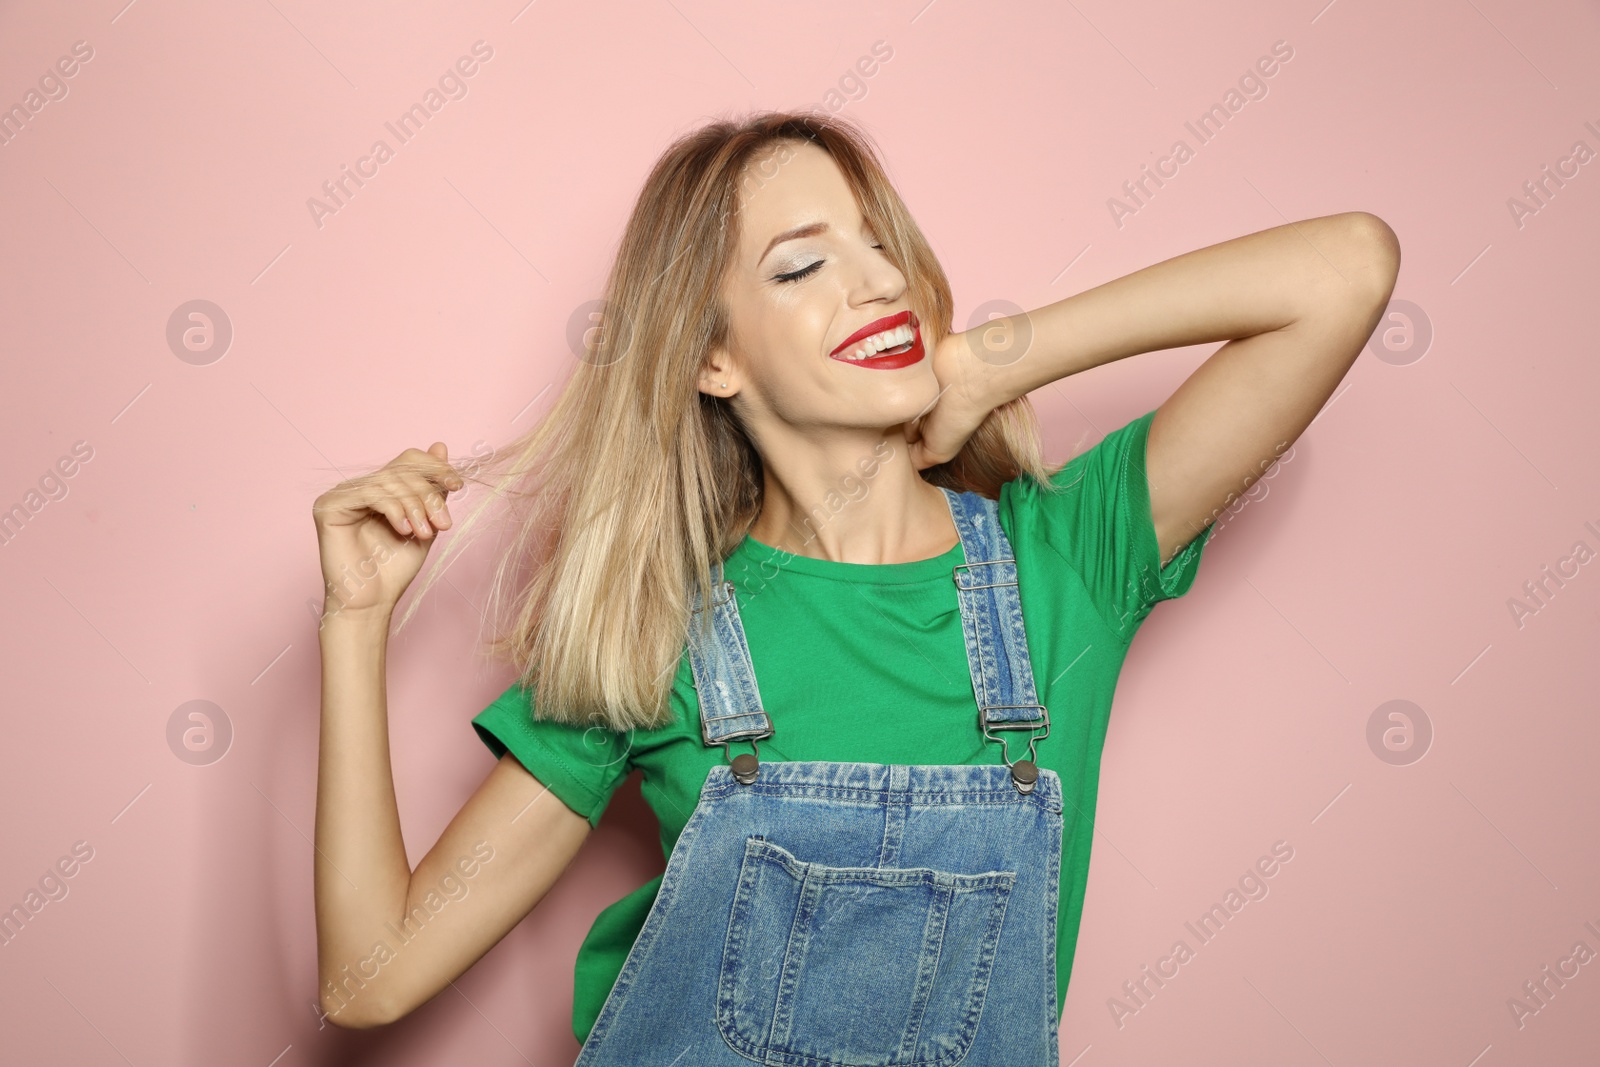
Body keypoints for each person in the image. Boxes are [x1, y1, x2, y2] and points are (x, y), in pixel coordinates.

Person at [310, 110, 1400, 1061]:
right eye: (801, 265)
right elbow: (370, 979)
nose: (878, 280)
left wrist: (988, 362)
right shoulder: (652, 636)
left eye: (882, 248)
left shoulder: (1064, 561)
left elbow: (1344, 268)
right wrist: (356, 626)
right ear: (711, 360)